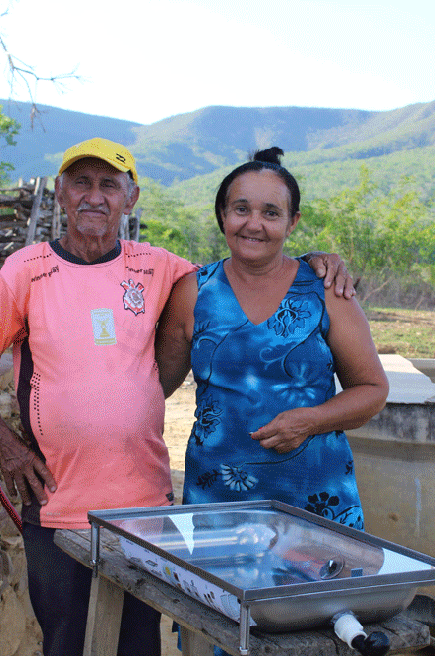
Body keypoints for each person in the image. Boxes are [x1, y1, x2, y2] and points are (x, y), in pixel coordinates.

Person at [0, 138, 355, 656]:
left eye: (109, 185)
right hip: (57, 500)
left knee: (137, 645)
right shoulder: (27, 270)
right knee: (64, 642)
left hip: (146, 510)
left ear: (130, 198)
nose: (94, 196)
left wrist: (314, 261)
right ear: (61, 192)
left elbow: (248, 264)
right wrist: (5, 444)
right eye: (81, 183)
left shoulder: (161, 269)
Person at [155, 147, 389, 531]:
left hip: (315, 495)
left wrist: (310, 420)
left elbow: (373, 389)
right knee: (220, 590)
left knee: (319, 592)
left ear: (293, 222)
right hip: (219, 497)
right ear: (223, 215)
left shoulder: (324, 289)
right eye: (241, 209)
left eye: (271, 213)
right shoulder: (193, 293)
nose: (254, 224)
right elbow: (153, 387)